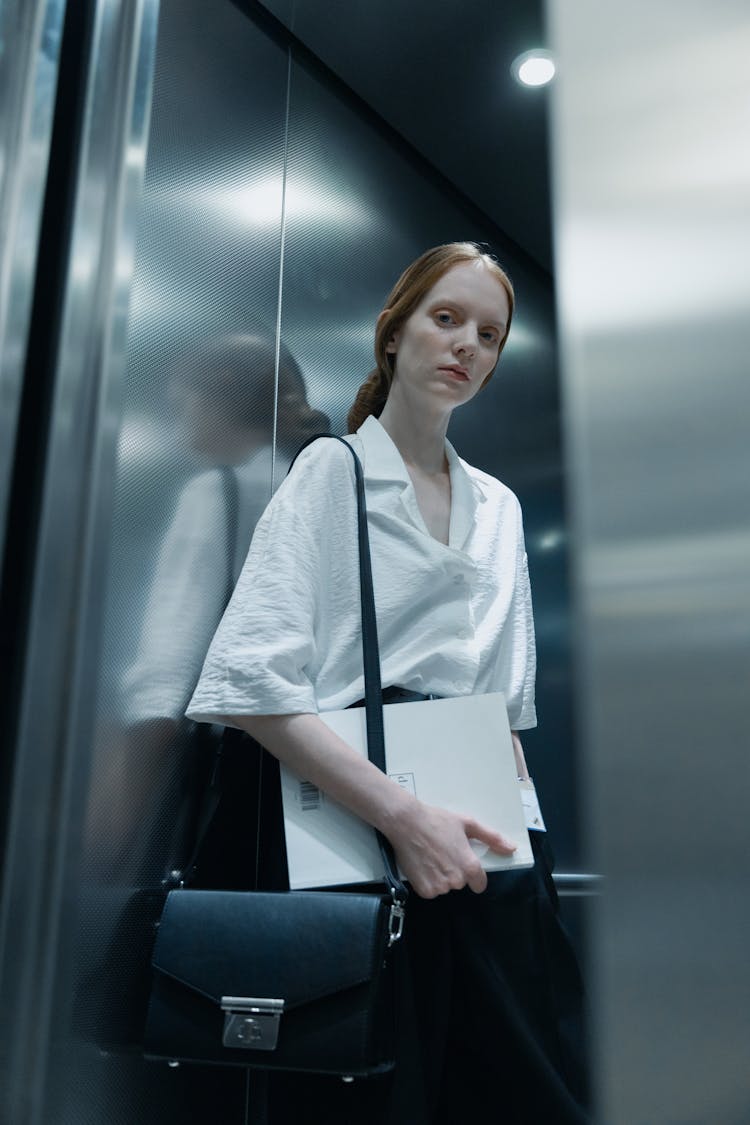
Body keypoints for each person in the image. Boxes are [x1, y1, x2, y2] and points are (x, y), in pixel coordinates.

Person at [186, 243, 589, 1124]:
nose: (466, 346)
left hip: (491, 848)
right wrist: (405, 820)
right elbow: (251, 685)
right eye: (446, 318)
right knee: (375, 1090)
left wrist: (528, 859)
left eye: (489, 333)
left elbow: (504, 712)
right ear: (394, 333)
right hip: (358, 837)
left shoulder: (501, 505)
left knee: (521, 1087)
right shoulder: (333, 470)